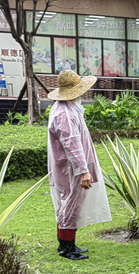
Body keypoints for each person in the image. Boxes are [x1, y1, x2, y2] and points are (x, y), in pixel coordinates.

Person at [47, 69, 112, 260]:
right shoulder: (65, 114)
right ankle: (66, 248)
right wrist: (83, 171)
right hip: (70, 168)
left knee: (70, 204)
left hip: (68, 166)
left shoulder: (66, 108)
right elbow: (72, 144)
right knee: (70, 205)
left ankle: (69, 244)